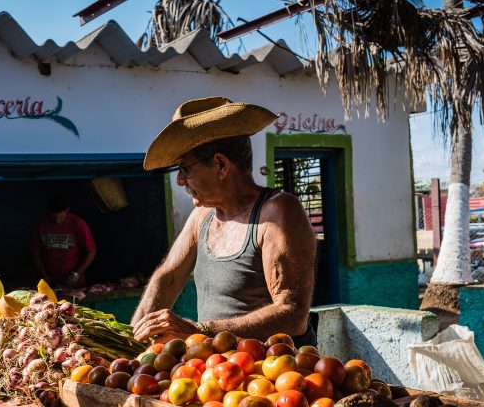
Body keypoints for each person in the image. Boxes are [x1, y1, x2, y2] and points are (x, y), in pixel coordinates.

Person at [131, 97, 317, 345]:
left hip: (275, 375)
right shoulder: (202, 216)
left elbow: (292, 315)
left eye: (185, 168)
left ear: (220, 164)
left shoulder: (277, 212)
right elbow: (169, 277)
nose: (180, 180)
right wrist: (130, 342)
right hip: (218, 370)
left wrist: (200, 330)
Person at [32, 194, 97, 288]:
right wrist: (43, 275)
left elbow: (91, 251)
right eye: (54, 218)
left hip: (74, 282)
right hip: (50, 281)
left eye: (61, 217)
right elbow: (35, 253)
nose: (57, 221)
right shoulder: (41, 225)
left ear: (67, 210)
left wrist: (76, 274)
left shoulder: (78, 224)